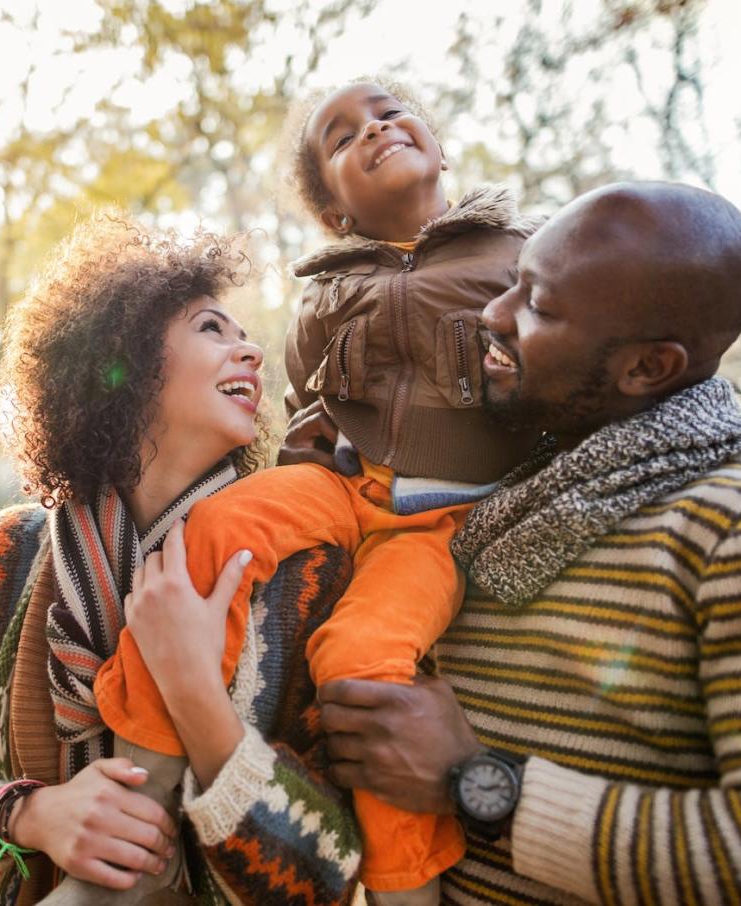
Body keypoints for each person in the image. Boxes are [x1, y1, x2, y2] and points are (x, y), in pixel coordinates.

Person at [318, 181, 741, 904]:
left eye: (537, 305)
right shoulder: (493, 495)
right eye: (514, 283)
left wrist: (480, 782)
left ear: (647, 367)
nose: (491, 314)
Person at [92, 79, 540, 905]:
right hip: (342, 482)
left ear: (438, 149)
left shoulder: (524, 251)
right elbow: (308, 409)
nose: (375, 130)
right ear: (335, 211)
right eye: (342, 137)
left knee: (364, 661)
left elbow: (569, 365)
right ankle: (136, 800)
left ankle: (407, 889)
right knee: (223, 524)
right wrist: (298, 476)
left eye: (389, 115)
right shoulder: (326, 293)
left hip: (447, 518)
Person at [0, 215, 366, 906]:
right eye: (212, 329)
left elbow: (329, 871)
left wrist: (193, 692)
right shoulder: (0, 560)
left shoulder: (303, 574)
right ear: (123, 360)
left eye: (248, 337)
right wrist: (30, 815)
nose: (250, 353)